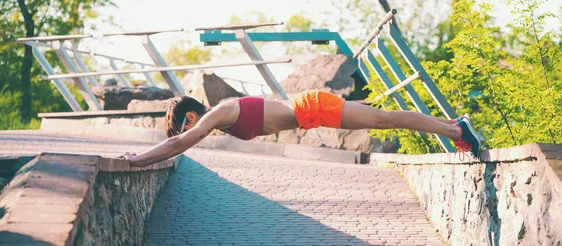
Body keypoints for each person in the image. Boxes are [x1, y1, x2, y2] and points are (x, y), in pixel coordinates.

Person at [120, 90, 481, 166]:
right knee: (384, 116)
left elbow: (182, 143)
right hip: (308, 109)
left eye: (186, 122)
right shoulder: (222, 116)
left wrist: (139, 160)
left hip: (313, 107)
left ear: (193, 113)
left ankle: (455, 131)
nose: (189, 129)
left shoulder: (217, 112)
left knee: (384, 118)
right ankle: (454, 127)